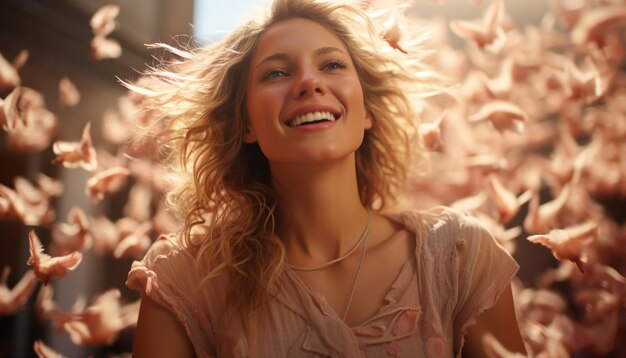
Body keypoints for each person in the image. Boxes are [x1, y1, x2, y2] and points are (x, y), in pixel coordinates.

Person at [126, 0, 527, 356]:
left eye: (332, 65)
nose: (309, 83)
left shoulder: (457, 257)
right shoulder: (184, 280)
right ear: (246, 122)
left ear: (366, 110)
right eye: (277, 73)